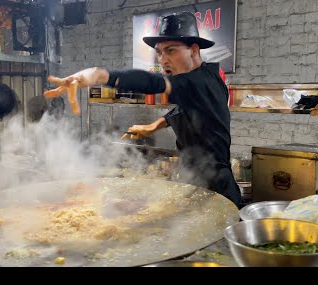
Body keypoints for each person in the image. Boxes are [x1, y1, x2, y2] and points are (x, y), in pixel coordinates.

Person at [45, 11, 241, 207]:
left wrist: (96, 75)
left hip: (216, 187)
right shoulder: (206, 75)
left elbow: (152, 82)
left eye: (170, 50)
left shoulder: (200, 81)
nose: (163, 60)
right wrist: (154, 125)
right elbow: (190, 108)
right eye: (159, 52)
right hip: (194, 180)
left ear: (194, 50)